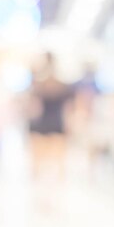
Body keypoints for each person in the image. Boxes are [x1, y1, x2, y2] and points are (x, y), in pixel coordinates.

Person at [28, 52, 72, 181]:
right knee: (58, 162)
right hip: (55, 122)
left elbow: (33, 107)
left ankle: (41, 188)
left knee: (39, 162)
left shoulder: (38, 83)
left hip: (42, 123)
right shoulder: (61, 84)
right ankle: (54, 187)